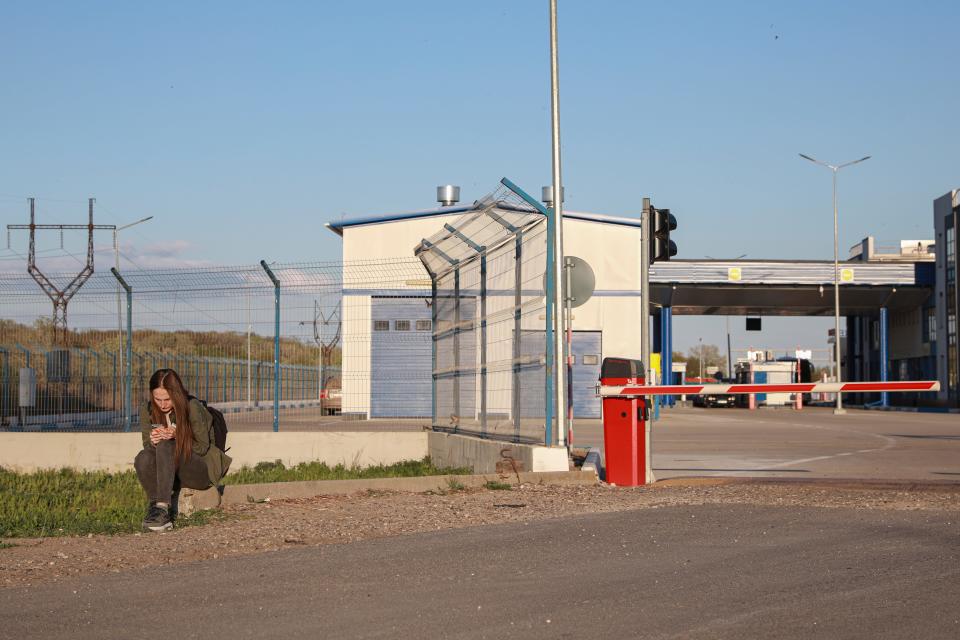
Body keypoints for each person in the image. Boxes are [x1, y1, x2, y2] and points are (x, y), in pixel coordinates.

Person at [134, 368, 232, 532]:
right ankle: (155, 508)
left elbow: (202, 447)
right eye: (158, 399)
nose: (163, 404)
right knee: (142, 457)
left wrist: (178, 435)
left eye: (167, 399)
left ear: (177, 395)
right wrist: (153, 440)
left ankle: (163, 510)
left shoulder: (192, 407)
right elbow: (148, 448)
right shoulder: (147, 409)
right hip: (172, 470)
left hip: (201, 470)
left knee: (167, 445)